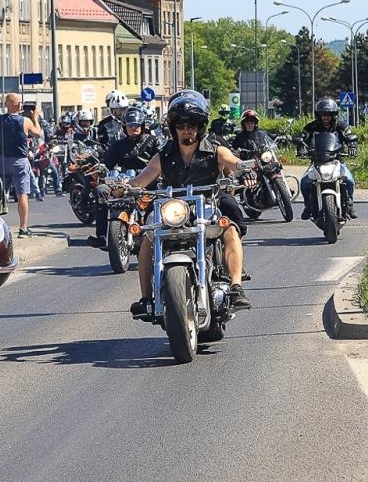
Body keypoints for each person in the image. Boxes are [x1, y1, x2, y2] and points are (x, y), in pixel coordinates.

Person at [122, 90, 251, 315]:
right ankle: (145, 298)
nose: (186, 129)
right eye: (181, 125)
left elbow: (235, 162)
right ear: (174, 128)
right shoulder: (163, 156)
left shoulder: (215, 150)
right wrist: (121, 188)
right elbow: (141, 180)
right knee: (147, 238)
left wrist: (246, 169)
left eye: (192, 124)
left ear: (200, 126)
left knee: (230, 230)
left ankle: (236, 287)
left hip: (207, 205)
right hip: (174, 209)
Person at [89, 104, 161, 249]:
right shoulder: (117, 145)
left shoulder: (154, 142)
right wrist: (102, 168)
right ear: (124, 127)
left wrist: (159, 174)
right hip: (124, 183)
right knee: (101, 190)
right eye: (129, 126)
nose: (133, 128)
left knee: (161, 195)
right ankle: (102, 236)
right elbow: (108, 163)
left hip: (149, 182)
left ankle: (162, 232)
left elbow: (163, 160)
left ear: (142, 125)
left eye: (136, 125)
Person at [299, 97, 358, 220]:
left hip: (336, 161)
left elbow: (349, 136)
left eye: (328, 115)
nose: (326, 117)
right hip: (317, 162)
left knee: (350, 181)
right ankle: (308, 205)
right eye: (323, 115)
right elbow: (302, 139)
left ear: (334, 115)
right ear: (318, 115)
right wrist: (301, 149)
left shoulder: (341, 126)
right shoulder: (311, 127)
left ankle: (350, 204)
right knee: (304, 182)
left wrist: (352, 146)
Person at [0, 92, 42, 235]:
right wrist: (35, 118)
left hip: (2, 160)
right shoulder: (25, 121)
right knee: (22, 194)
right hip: (19, 161)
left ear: (6, 105)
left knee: (0, 193)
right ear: (19, 105)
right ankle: (23, 227)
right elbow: (38, 134)